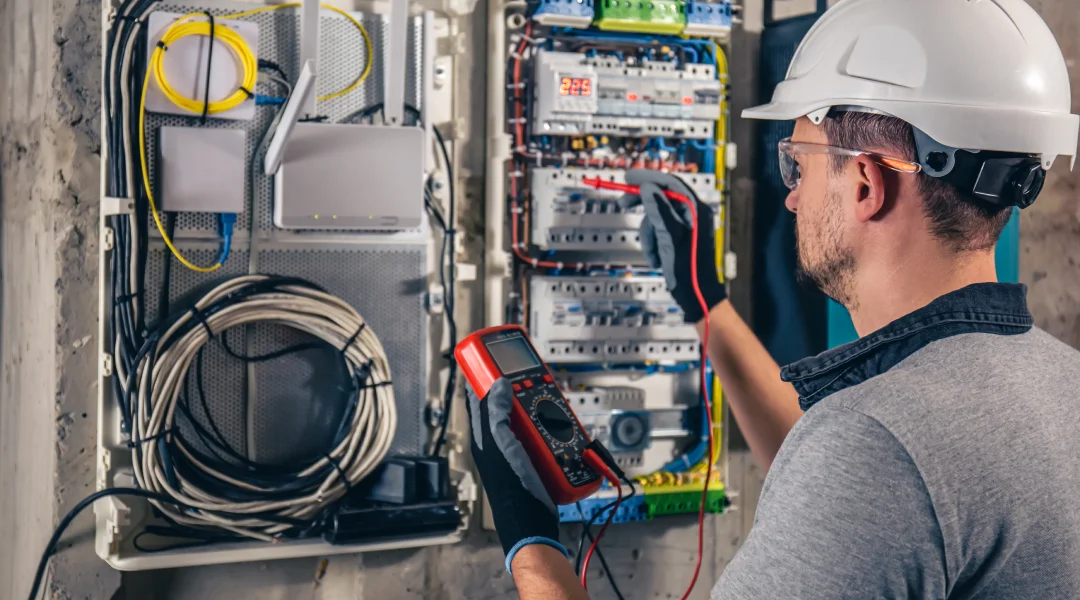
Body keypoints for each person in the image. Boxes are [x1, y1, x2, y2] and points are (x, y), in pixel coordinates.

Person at [466, 0, 1080, 598]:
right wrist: (708, 307)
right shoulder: (1060, 384)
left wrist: (529, 539)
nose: (792, 198)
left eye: (800, 165)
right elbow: (876, 493)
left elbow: (872, 473)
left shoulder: (874, 450)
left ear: (867, 182)